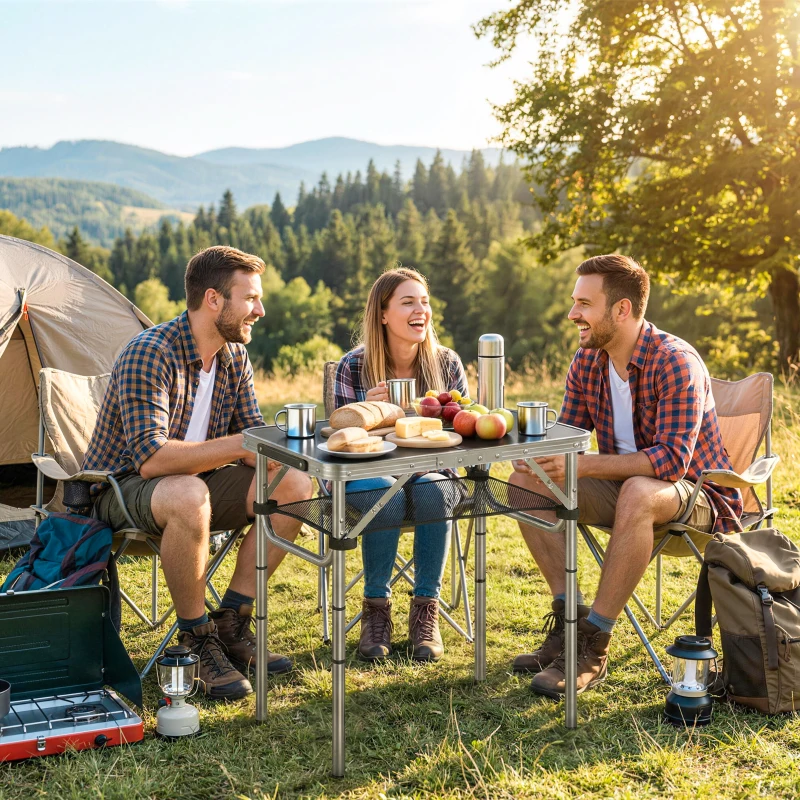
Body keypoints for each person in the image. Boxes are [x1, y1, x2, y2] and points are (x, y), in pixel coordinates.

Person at [83, 245, 313, 699]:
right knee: (190, 494)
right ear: (213, 299)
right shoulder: (150, 353)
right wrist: (246, 444)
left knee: (295, 485)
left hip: (197, 484)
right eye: (251, 299)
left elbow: (252, 437)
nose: (260, 311)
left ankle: (231, 623)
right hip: (121, 488)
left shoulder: (234, 356)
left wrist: (290, 453)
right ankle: (195, 637)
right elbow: (151, 458)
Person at [509, 254, 742, 698]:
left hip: (699, 498)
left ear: (622, 309)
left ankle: (594, 644)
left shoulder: (675, 361)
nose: (572, 314)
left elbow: (672, 462)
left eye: (584, 304)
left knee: (638, 489)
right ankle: (569, 622)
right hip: (628, 492)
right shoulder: (587, 361)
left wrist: (582, 466)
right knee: (525, 483)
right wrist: (535, 456)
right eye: (574, 302)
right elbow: (570, 438)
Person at [334, 267, 469, 663]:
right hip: (367, 476)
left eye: (424, 302)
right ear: (383, 314)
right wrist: (368, 412)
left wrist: (434, 414)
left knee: (433, 488)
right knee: (383, 492)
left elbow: (463, 433)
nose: (420, 310)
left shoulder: (447, 364)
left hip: (432, 473)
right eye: (408, 302)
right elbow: (341, 444)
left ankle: (426, 610)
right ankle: (376, 611)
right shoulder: (352, 367)